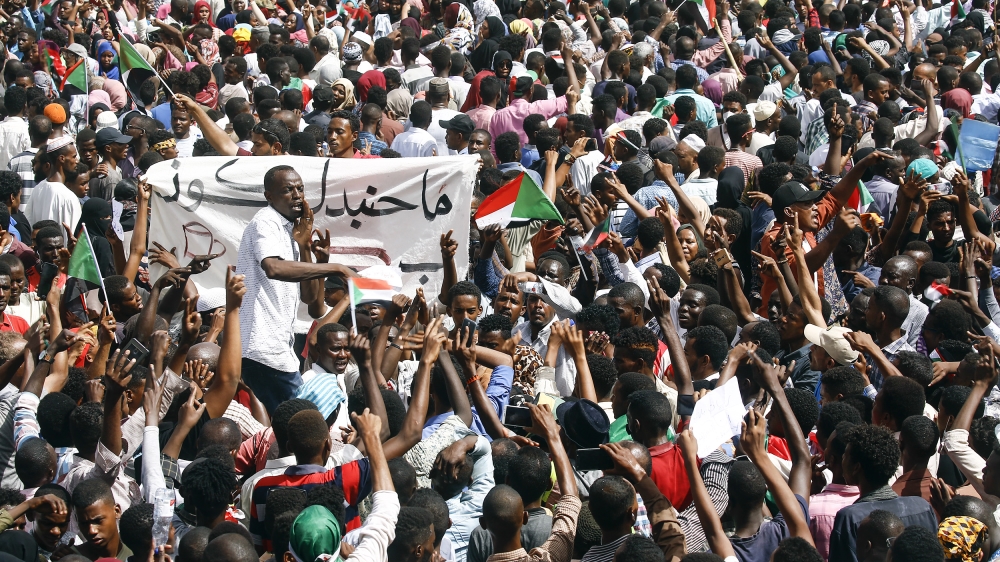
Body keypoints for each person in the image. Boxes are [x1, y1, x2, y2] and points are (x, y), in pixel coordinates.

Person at [236, 165, 355, 411]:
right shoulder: (265, 222)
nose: (297, 195)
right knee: (302, 420)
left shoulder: (290, 231)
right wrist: (335, 268)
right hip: (262, 349)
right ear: (269, 196)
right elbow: (274, 268)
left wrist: (304, 248)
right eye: (288, 190)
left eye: (300, 188)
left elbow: (311, 301)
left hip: (279, 350)